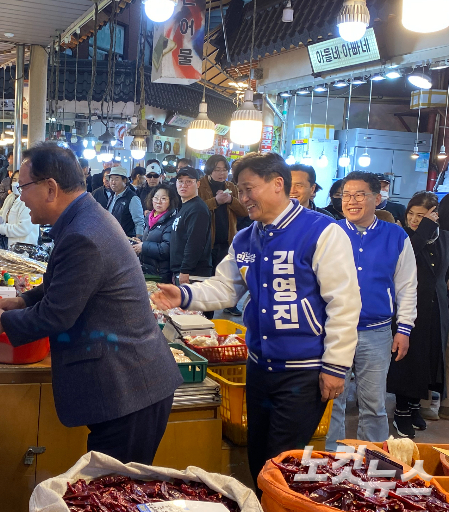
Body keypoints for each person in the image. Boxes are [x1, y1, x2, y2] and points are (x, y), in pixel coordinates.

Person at [152, 152, 361, 486]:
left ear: (278, 184)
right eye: (240, 190)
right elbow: (227, 286)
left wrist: (336, 366)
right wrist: (185, 295)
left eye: (249, 189)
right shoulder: (247, 238)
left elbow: (344, 303)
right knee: (258, 454)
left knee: (281, 462)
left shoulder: (322, 232)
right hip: (259, 366)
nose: (243, 198)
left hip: (303, 371)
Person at [0, 143, 182, 464]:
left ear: (50, 189)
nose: (19, 197)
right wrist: (20, 301)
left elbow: (57, 315)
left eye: (23, 188)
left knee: (114, 493)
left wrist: (0, 322)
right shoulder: (84, 218)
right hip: (128, 383)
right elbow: (66, 285)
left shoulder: (83, 234)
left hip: (130, 388)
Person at [326, 171, 417, 450]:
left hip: (377, 333)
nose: (351, 201)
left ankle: (375, 465)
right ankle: (332, 461)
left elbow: (407, 286)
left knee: (374, 404)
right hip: (334, 331)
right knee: (333, 401)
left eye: (359, 195)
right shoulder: (330, 233)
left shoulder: (396, 235)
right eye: (346, 195)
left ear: (377, 199)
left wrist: (404, 329)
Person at [387, 191, 449, 435]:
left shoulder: (444, 238)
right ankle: (400, 411)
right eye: (411, 214)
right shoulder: (404, 238)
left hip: (437, 307)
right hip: (410, 307)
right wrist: (423, 228)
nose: (414, 219)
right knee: (408, 359)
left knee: (429, 357)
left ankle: (414, 407)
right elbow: (404, 260)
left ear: (435, 214)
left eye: (421, 215)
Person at [198, 155, 248, 316]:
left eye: (224, 170)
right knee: (208, 278)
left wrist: (231, 200)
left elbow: (244, 211)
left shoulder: (231, 187)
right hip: (207, 240)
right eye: (217, 169)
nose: (221, 173)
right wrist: (216, 201)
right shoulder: (201, 185)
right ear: (209, 170)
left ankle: (230, 304)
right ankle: (207, 312)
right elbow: (197, 210)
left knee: (227, 277)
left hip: (227, 240)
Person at [169, 167, 213, 284]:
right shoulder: (185, 206)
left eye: (189, 181)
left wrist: (185, 270)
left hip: (193, 274)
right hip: (182, 271)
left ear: (198, 184)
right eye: (180, 181)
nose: (184, 185)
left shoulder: (198, 209)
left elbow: (195, 242)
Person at [133, 183, 179, 283]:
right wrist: (140, 240)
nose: (158, 202)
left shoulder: (171, 221)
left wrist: (143, 247)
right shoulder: (149, 218)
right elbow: (152, 238)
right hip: (147, 270)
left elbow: (166, 249)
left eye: (163, 199)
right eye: (156, 198)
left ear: (170, 201)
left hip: (160, 273)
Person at [0, 169, 40, 248]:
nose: (16, 183)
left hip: (24, 249)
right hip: (9, 247)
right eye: (14, 180)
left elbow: (23, 228)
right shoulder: (11, 197)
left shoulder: (29, 200)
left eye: (19, 180)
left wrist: (2, 229)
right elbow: (0, 213)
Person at [107, 166, 145, 238]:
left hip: (126, 239)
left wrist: (138, 240)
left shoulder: (132, 198)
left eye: (116, 179)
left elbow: (139, 222)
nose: (113, 182)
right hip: (112, 238)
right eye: (111, 179)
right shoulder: (111, 196)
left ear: (124, 180)